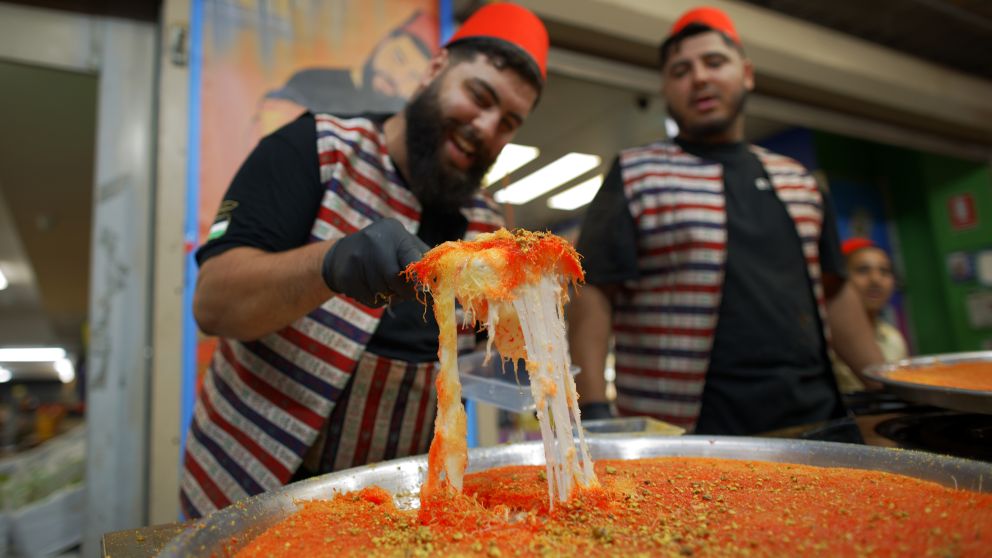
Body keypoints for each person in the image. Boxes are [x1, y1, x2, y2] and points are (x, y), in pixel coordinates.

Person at [183, 2, 549, 519]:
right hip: (249, 486)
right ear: (435, 68)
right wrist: (329, 264)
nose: (486, 127)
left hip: (388, 507)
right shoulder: (317, 149)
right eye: (479, 96)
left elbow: (485, 350)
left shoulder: (486, 223)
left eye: (508, 121)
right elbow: (214, 303)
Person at [568, 6, 884, 436]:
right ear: (666, 87)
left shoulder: (800, 182)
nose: (699, 77)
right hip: (685, 437)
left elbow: (835, 291)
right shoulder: (636, 174)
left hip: (818, 421)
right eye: (681, 70)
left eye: (714, 63)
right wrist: (593, 410)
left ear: (747, 74)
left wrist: (888, 393)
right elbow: (593, 289)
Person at [832, 238, 909, 393]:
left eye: (884, 271)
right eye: (862, 270)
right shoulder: (827, 339)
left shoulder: (893, 338)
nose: (876, 280)